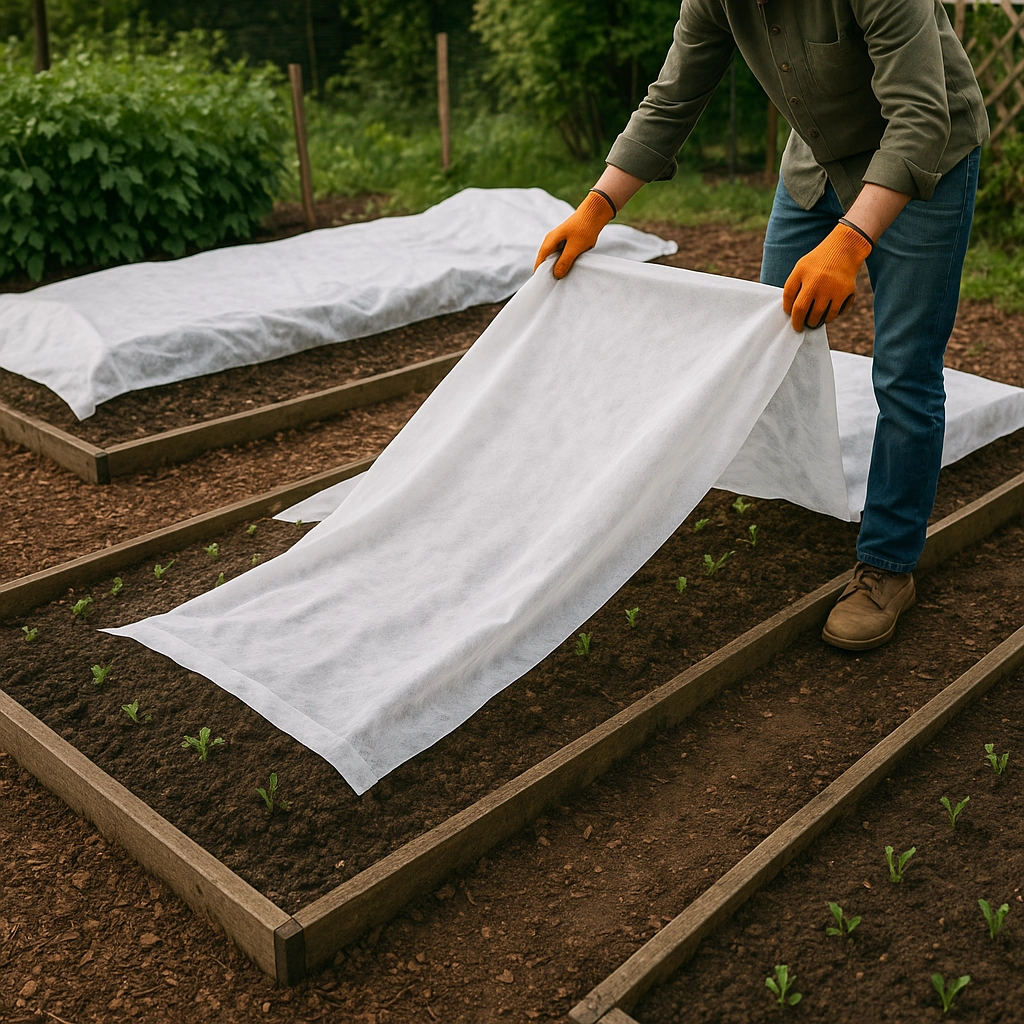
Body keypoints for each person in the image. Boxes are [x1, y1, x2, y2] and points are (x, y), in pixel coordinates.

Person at [535, 0, 989, 651]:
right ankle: (798, 483)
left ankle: (887, 566)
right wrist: (597, 206)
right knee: (773, 333)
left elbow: (919, 117)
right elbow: (671, 99)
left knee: (904, 370)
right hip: (817, 161)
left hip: (927, 158)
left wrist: (849, 242)